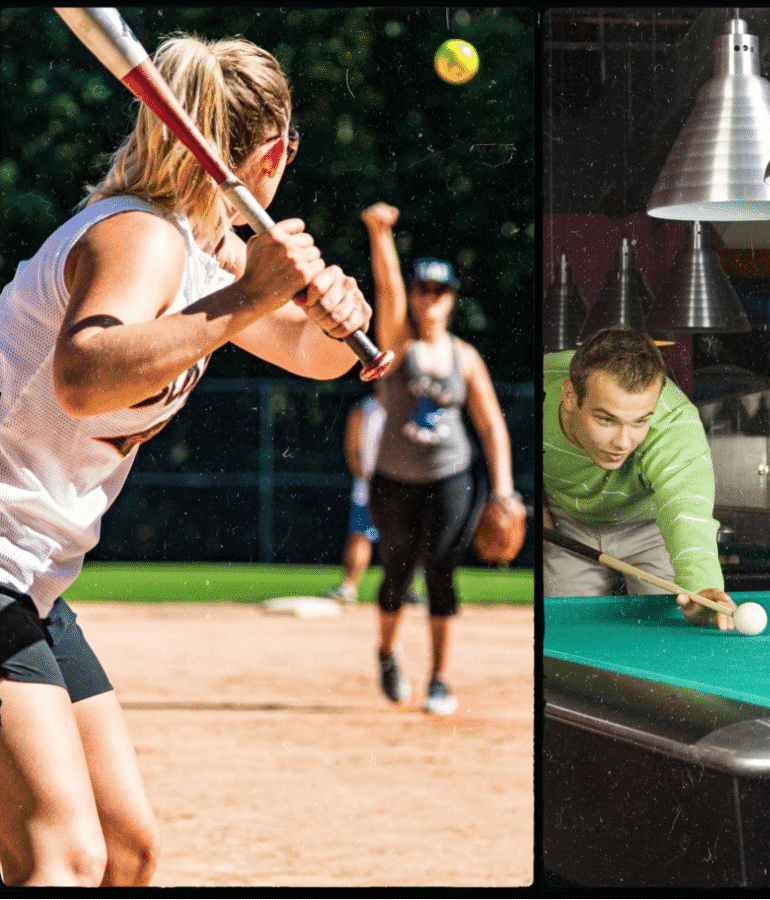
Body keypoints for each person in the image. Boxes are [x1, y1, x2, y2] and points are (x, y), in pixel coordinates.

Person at [0, 34, 371, 886]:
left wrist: (333, 318)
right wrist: (248, 297)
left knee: (127, 854)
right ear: (274, 152)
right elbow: (86, 374)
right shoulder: (142, 238)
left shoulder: (212, 248)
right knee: (61, 856)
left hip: (30, 575)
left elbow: (312, 356)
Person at [360, 202, 519, 716]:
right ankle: (387, 653)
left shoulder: (465, 357)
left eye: (440, 291)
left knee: (443, 570)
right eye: (423, 289)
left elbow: (491, 426)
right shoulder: (396, 347)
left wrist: (503, 489)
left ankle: (440, 679)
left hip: (451, 476)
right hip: (394, 479)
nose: (430, 298)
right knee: (397, 574)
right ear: (415, 295)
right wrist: (380, 234)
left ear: (452, 299)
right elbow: (385, 291)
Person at [541, 327, 735, 629]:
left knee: (668, 633)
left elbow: (686, 510)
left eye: (640, 421)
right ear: (570, 395)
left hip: (650, 527)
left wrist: (702, 586)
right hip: (569, 526)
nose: (623, 441)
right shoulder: (540, 388)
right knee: (561, 630)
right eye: (606, 419)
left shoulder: (673, 422)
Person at [324, 394, 384, 604]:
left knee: (407, 541)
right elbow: (353, 450)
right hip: (368, 489)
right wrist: (367, 478)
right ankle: (349, 587)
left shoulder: (406, 403)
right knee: (360, 537)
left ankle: (409, 590)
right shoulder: (364, 409)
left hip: (402, 487)